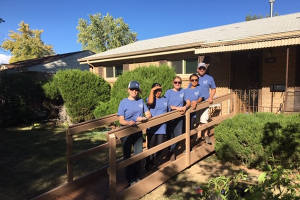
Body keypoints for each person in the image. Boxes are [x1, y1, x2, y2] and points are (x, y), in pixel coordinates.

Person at [117, 80, 151, 186]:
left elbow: (149, 114)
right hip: (126, 131)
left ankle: (137, 175)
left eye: (136, 90)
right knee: (127, 155)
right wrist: (128, 123)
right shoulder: (123, 102)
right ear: (128, 90)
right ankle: (130, 178)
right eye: (132, 89)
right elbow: (121, 120)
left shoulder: (141, 101)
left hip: (137, 131)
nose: (134, 91)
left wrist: (143, 118)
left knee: (138, 153)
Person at [165, 76, 190, 161]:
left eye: (179, 82)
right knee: (170, 135)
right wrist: (177, 108)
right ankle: (171, 152)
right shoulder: (168, 92)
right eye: (175, 82)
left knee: (178, 135)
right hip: (170, 116)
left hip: (179, 117)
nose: (177, 84)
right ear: (173, 83)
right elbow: (166, 105)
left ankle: (171, 151)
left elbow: (188, 102)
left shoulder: (183, 91)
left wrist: (185, 107)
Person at [145, 83, 168, 170]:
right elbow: (150, 103)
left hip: (162, 127)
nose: (158, 92)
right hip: (152, 128)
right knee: (151, 147)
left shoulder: (165, 100)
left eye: (159, 90)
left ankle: (151, 159)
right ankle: (150, 163)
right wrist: (152, 90)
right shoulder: (150, 99)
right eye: (156, 90)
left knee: (160, 146)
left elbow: (169, 109)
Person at [196, 62, 216, 144]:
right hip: (196, 104)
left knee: (204, 120)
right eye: (200, 68)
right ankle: (199, 136)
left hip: (205, 102)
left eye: (203, 68)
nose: (202, 70)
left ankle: (206, 135)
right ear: (197, 69)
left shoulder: (210, 78)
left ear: (205, 69)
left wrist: (211, 97)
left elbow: (213, 89)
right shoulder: (194, 78)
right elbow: (189, 89)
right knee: (197, 121)